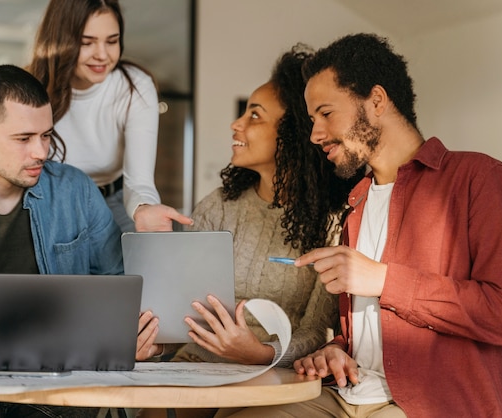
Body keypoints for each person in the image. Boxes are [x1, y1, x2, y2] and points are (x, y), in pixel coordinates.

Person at [214, 33, 502, 418]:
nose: (315, 135)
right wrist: (335, 349)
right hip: (349, 392)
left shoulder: (479, 178)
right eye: (310, 119)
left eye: (326, 113)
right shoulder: (357, 202)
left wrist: (385, 280)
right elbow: (372, 328)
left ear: (376, 101)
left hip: (422, 403)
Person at [0, 64, 161, 417]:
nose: (40, 152)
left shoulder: (76, 192)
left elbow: (120, 281)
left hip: (58, 380)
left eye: (46, 135)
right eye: (23, 139)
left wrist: (132, 335)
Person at [138, 45, 362, 418]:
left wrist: (259, 353)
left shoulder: (335, 220)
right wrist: (154, 344)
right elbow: (181, 311)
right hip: (200, 361)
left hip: (278, 372)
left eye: (254, 116)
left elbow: (318, 331)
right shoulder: (218, 206)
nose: (236, 124)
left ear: (292, 133)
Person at [0, 0, 193, 233]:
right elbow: (1, 144)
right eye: (87, 42)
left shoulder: (135, 86)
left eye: (112, 41)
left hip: (113, 200)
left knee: (133, 278)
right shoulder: (31, 83)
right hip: (48, 200)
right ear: (63, 40)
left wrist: (144, 209)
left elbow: (139, 181)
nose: (102, 55)